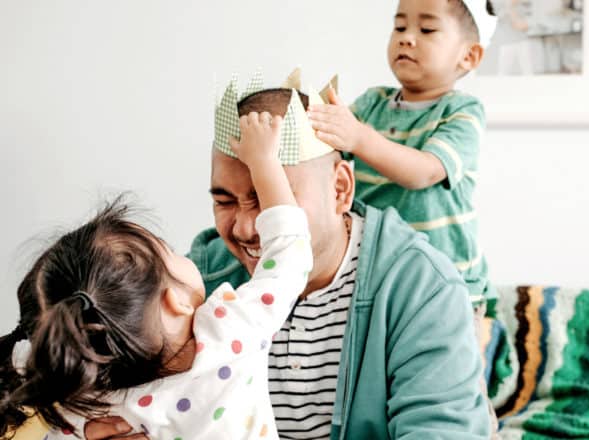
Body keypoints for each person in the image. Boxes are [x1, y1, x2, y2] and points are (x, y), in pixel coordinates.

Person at [81, 73, 490, 439]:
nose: (243, 228)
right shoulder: (195, 281)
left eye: (269, 199)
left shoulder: (423, 290)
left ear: (341, 189)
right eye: (225, 201)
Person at [0, 110, 314, 439]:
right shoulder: (229, 335)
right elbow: (290, 257)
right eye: (169, 250)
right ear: (174, 301)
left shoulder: (79, 397)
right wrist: (264, 162)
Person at [306, 0, 495, 314]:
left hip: (447, 284)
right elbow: (330, 151)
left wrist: (359, 136)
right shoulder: (371, 103)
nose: (407, 37)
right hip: (378, 274)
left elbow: (423, 172)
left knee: (453, 361)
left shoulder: (462, 111)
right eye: (400, 26)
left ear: (469, 55)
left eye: (427, 28)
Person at [480, 0, 533, 75]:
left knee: (528, 72)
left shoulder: (524, 5)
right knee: (503, 73)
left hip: (522, 42)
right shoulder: (498, 5)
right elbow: (494, 15)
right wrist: (509, 7)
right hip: (507, 43)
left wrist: (511, 7)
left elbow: (521, 26)